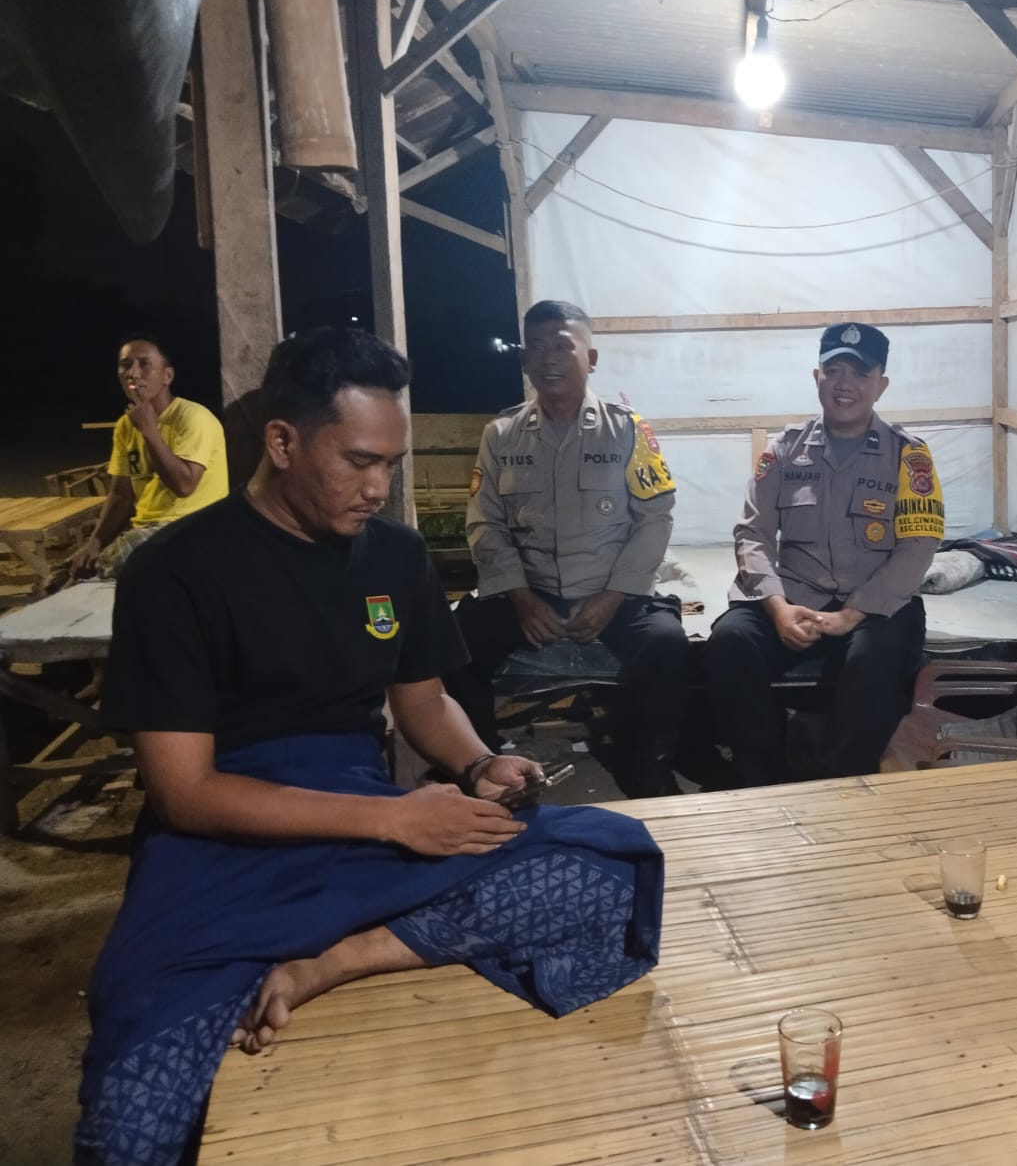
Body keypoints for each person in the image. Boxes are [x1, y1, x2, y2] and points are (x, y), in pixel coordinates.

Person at [77, 328, 663, 1166]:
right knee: (133, 1115)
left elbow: (422, 701)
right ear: (283, 442)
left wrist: (477, 763)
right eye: (358, 461)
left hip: (361, 809)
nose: (380, 489)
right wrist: (394, 822)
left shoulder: (394, 555)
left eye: (391, 463)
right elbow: (186, 793)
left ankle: (335, 960)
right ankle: (333, 947)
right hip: (221, 841)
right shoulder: (176, 571)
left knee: (612, 870)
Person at [444, 300, 689, 799]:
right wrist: (520, 597)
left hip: (611, 592)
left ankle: (645, 766)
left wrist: (614, 596)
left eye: (562, 346)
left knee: (666, 644)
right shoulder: (501, 435)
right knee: (453, 646)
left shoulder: (628, 430)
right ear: (524, 361)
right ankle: (485, 769)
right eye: (536, 347)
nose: (549, 358)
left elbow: (655, 517)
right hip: (530, 593)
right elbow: (485, 522)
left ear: (590, 358)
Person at [706, 322, 944, 784]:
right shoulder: (783, 451)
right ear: (817, 377)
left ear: (881, 384)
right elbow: (752, 533)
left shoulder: (909, 456)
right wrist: (777, 608)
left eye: (859, 373)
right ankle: (761, 778)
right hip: (795, 599)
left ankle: (840, 785)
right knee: (731, 641)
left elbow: (919, 545)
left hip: (874, 606)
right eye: (833, 371)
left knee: (875, 658)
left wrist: (851, 615)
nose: (844, 383)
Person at [70, 332, 228, 578]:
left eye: (144, 364)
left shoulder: (193, 418)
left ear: (167, 376)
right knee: (72, 568)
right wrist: (95, 542)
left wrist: (149, 431)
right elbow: (121, 495)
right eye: (125, 365)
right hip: (145, 530)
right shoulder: (125, 425)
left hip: (192, 528)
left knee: (127, 557)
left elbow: (184, 485)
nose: (133, 373)